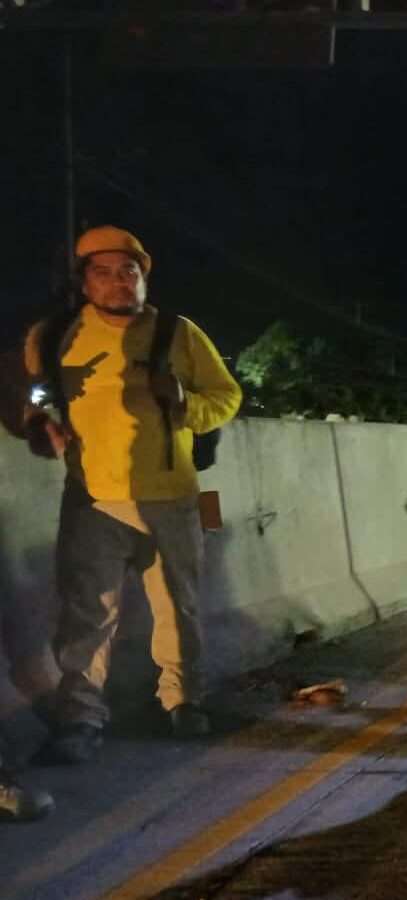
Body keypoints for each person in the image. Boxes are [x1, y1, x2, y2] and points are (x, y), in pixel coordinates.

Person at [19, 226, 241, 764]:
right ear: (84, 282)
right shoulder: (51, 338)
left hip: (170, 496)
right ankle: (79, 721)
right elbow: (32, 401)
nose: (119, 282)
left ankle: (185, 704)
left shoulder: (177, 333)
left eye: (129, 271)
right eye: (104, 272)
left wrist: (186, 401)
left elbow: (227, 396)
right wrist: (37, 426)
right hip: (93, 500)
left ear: (143, 275)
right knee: (87, 616)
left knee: (179, 610)